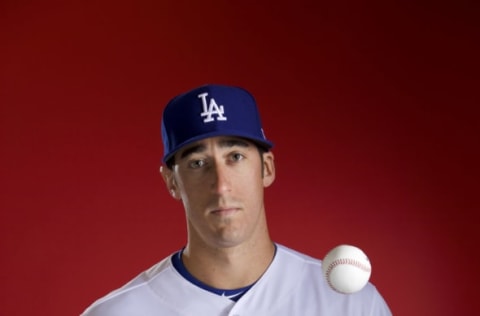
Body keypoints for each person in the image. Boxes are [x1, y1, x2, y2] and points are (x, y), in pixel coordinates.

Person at [81, 84, 392, 315]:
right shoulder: (117, 312)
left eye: (235, 156)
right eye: (198, 163)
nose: (221, 184)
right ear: (171, 181)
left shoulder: (349, 305)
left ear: (266, 168)